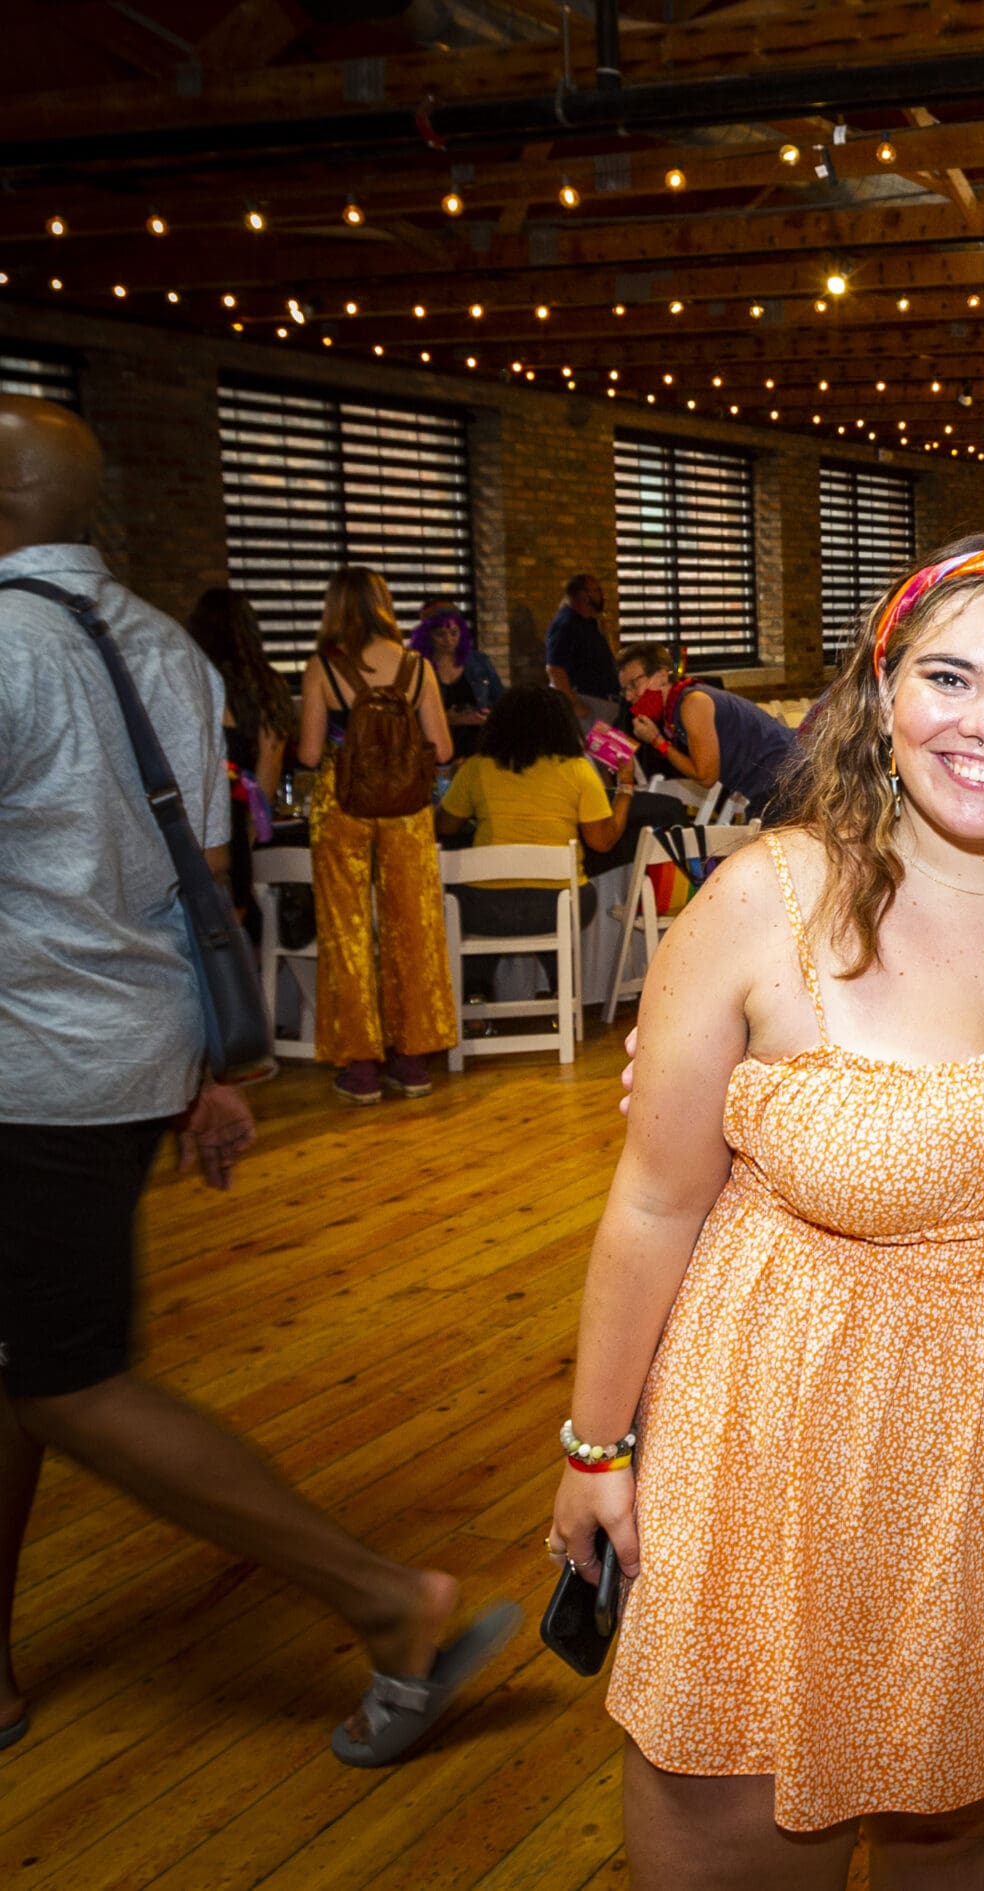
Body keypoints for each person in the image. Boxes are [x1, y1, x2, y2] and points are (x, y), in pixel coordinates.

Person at [557, 540, 984, 1887]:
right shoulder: (769, 898)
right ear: (881, 691)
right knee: (741, 1818)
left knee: (965, 1821)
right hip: (791, 1453)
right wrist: (596, 1447)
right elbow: (654, 1201)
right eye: (949, 676)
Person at [0, 394, 515, 1770]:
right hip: (124, 1050)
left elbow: (269, 804)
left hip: (32, 1064)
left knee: (67, 1377)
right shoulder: (160, 646)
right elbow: (204, 871)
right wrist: (204, 1061)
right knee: (24, 1359)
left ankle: (388, 1601)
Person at [297, 566, 456, 1104]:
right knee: (413, 927)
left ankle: (361, 1067)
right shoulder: (417, 666)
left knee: (347, 930)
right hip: (407, 807)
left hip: (342, 802)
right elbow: (443, 748)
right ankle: (413, 1062)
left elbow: (310, 754)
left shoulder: (322, 666)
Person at [436, 683, 638, 938]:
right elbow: (602, 841)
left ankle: (481, 966)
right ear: (564, 725)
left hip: (486, 907)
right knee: (576, 902)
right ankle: (557, 965)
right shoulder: (578, 770)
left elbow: (444, 826)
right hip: (559, 905)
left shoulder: (476, 768)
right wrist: (625, 785)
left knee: (460, 903)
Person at [184, 585, 295, 918]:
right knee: (231, 927)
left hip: (189, 819)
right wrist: (249, 836)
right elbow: (268, 772)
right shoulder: (265, 688)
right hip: (232, 822)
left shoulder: (188, 683)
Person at [616, 642, 795, 822]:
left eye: (633, 684)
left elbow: (706, 776)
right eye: (625, 690)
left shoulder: (692, 703)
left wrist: (657, 740)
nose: (629, 696)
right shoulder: (678, 706)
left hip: (785, 779)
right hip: (769, 783)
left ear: (662, 676)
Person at [411, 599, 504, 758]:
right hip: (435, 751)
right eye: (440, 634)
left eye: (454, 633)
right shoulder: (418, 667)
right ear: (427, 636)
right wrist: (445, 719)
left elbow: (502, 702)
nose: (448, 640)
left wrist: (488, 716)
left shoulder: (479, 662)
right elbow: (408, 717)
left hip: (478, 749)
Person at [545, 573, 620, 726]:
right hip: (587, 703)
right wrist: (574, 704)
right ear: (583, 594)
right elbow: (555, 669)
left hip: (602, 702)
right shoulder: (566, 624)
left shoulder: (587, 622)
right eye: (596, 590)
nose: (601, 595)